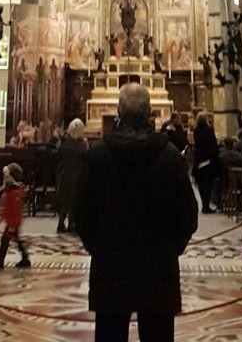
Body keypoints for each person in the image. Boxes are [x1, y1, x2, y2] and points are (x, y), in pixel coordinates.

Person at [74, 82, 198, 342]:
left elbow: (81, 213)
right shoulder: (170, 157)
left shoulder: (97, 156)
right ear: (150, 112)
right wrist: (170, 248)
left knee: (109, 334)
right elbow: (188, 215)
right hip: (158, 268)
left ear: (118, 111)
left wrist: (98, 246)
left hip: (111, 266)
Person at [0, 163, 31, 268]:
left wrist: (12, 224)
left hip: (13, 221)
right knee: (15, 239)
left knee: (6, 240)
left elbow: (15, 209)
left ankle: (0, 261)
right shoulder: (10, 191)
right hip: (11, 221)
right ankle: (25, 257)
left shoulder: (14, 193)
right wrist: (2, 216)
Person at [56, 119, 88, 233]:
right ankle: (71, 224)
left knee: (65, 201)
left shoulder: (64, 143)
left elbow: (59, 156)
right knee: (74, 202)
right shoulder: (82, 145)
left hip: (64, 174)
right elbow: (86, 160)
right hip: (77, 176)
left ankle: (61, 223)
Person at [192, 111, 220, 214]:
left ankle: (204, 204)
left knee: (201, 184)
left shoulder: (196, 131)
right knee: (208, 184)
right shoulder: (209, 130)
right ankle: (206, 205)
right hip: (208, 160)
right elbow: (213, 144)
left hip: (199, 160)